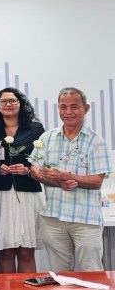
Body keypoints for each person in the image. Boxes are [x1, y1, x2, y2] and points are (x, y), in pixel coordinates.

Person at [32, 87, 112, 271]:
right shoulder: (47, 137)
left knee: (91, 273)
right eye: (63, 107)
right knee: (60, 275)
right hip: (53, 217)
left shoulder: (96, 142)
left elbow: (96, 181)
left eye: (74, 106)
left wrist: (66, 176)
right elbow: (34, 168)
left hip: (86, 220)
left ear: (86, 108)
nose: (68, 112)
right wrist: (58, 181)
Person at [0, 87, 44, 273]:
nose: (8, 104)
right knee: (5, 251)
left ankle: (29, 286)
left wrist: (28, 169)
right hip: (1, 194)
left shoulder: (36, 129)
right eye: (3, 101)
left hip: (27, 192)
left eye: (12, 101)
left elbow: (44, 160)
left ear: (21, 104)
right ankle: (7, 286)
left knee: (26, 251)